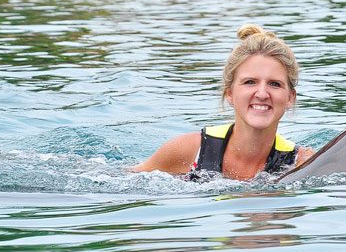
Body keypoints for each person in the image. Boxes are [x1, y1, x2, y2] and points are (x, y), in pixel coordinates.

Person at [132, 24, 314, 180]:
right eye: (250, 82)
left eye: (274, 84)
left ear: (290, 97)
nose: (262, 93)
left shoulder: (301, 164)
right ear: (230, 93)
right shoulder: (188, 150)